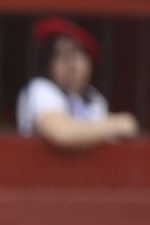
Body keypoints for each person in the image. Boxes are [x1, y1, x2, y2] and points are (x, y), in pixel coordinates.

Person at [16, 17, 138, 149]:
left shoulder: (94, 97)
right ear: (49, 63)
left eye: (77, 53)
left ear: (89, 61)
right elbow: (61, 132)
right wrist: (116, 124)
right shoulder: (40, 88)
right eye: (60, 54)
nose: (71, 64)